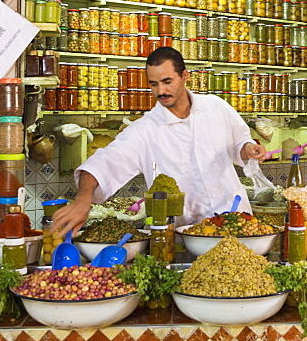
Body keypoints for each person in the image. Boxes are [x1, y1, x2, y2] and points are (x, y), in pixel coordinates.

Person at [51, 46, 268, 237]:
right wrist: (82, 201)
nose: (161, 91)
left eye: (167, 82)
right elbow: (102, 163)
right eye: (154, 84)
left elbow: (239, 145)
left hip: (238, 223)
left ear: (184, 76)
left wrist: (248, 149)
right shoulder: (145, 130)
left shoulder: (216, 107)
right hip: (190, 234)